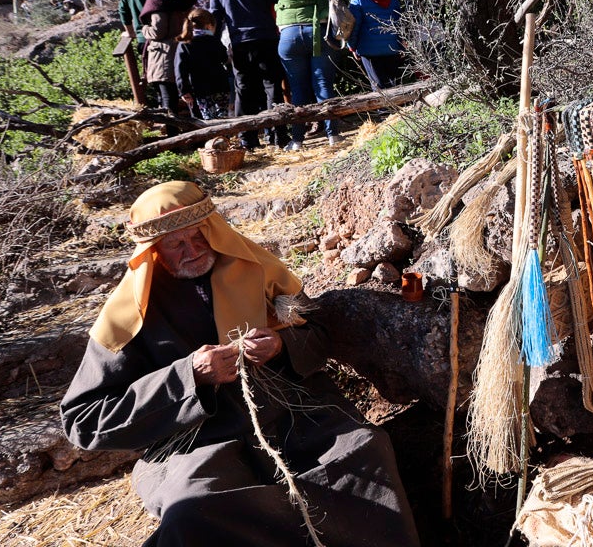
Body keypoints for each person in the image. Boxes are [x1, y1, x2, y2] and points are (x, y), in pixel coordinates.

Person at [60, 182, 421, 547]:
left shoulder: (259, 270)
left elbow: (321, 333)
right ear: (154, 251)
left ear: (214, 228)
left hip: (293, 412)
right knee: (193, 511)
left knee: (363, 451)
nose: (192, 250)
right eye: (176, 244)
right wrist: (189, 377)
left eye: (199, 236)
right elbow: (83, 420)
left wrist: (282, 345)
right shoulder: (129, 317)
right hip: (199, 441)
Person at [209, 0, 290, 150]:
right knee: (272, 85)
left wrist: (217, 42)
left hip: (238, 42)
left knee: (244, 90)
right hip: (265, 37)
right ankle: (278, 134)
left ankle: (247, 138)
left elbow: (215, 13)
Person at [266, 0, 341, 149]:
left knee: (298, 89)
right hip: (317, 30)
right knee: (322, 84)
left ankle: (297, 139)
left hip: (289, 35)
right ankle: (332, 135)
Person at [140, 0, 196, 113]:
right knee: (189, 95)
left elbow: (158, 31)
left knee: (168, 99)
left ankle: (173, 133)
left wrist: (145, 29)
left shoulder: (158, 1)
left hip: (164, 54)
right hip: (183, 47)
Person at [348, 0, 406, 91]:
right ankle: (400, 109)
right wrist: (401, 44)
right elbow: (400, 23)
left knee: (379, 88)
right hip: (392, 48)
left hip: (369, 50)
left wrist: (352, 47)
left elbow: (354, 26)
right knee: (394, 86)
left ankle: (384, 111)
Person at [174, 8, 231, 120]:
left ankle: (214, 137)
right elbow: (224, 58)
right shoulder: (213, 40)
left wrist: (184, 90)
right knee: (223, 117)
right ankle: (225, 136)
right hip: (220, 84)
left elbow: (180, 70)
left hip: (200, 88)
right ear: (208, 25)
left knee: (207, 119)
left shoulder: (185, 44)